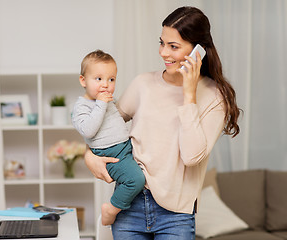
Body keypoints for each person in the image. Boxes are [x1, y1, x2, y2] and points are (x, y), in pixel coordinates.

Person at [84, 6, 241, 239]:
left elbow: (191, 156)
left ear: (199, 50)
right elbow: (101, 127)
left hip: (176, 215)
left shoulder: (215, 97)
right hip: (129, 206)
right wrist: (89, 156)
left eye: (173, 46)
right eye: (162, 43)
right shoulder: (143, 84)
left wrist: (189, 96)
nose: (163, 53)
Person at [72, 50, 145, 226]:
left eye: (111, 79)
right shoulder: (81, 106)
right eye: (98, 79)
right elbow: (88, 131)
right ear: (83, 81)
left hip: (124, 146)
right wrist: (101, 104)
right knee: (136, 180)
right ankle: (111, 209)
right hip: (110, 152)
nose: (106, 84)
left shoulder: (107, 100)